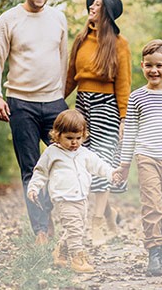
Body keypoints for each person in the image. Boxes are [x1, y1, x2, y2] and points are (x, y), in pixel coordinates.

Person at [0, 0, 69, 244]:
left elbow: (63, 59)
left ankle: (57, 215)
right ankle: (41, 230)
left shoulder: (58, 18)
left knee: (65, 163)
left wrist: (63, 97)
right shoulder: (8, 19)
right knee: (31, 169)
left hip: (55, 102)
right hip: (21, 105)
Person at [113, 39, 162, 277]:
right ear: (142, 66)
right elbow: (130, 135)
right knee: (152, 206)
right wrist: (124, 166)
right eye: (149, 65)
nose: (154, 70)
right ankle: (153, 252)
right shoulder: (137, 97)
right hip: (146, 157)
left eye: (159, 65)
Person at [65, 0, 131, 247]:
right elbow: (70, 76)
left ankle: (95, 225)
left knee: (102, 164)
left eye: (98, 5)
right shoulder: (81, 40)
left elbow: (124, 82)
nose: (91, 7)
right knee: (84, 166)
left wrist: (124, 119)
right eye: (92, 4)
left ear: (107, 15)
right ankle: (110, 215)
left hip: (107, 107)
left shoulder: (119, 43)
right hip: (82, 104)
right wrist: (56, 101)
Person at [27, 108, 113, 274]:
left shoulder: (84, 153)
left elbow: (99, 165)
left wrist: (112, 173)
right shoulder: (52, 153)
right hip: (63, 198)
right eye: (69, 138)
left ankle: (60, 250)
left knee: (77, 227)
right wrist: (33, 187)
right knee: (74, 228)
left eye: (78, 138)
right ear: (57, 134)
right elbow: (40, 172)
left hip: (81, 198)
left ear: (83, 135)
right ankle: (77, 258)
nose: (74, 143)